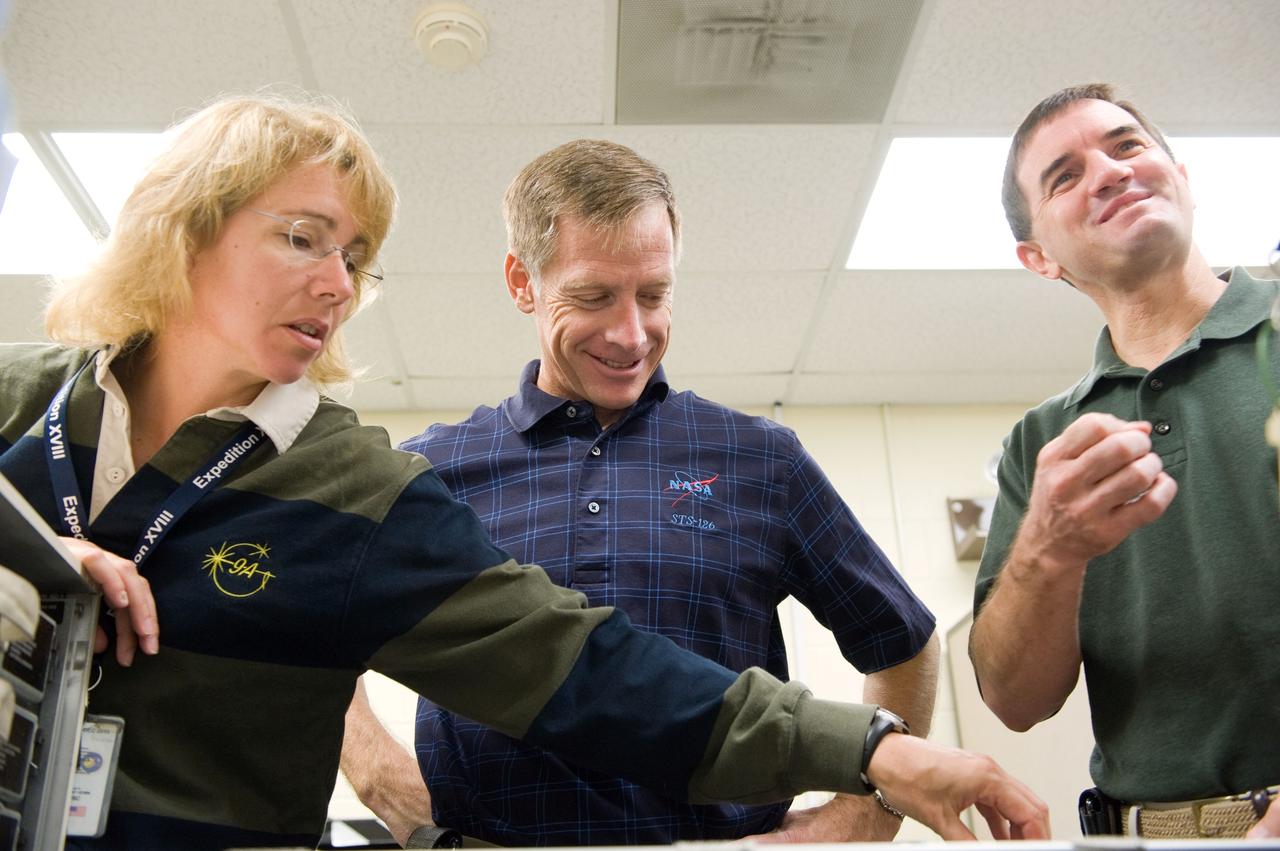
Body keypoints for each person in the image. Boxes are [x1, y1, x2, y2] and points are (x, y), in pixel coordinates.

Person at [0, 93, 1048, 850]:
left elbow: (587, 667)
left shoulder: (355, 483)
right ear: (184, 227)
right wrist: (33, 559)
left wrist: (870, 763)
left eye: (354, 257)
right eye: (302, 238)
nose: (338, 284)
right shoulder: (27, 401)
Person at [342, 139, 940, 847]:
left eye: (653, 295)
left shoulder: (759, 458)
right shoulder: (431, 471)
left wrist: (859, 818)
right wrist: (384, 781)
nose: (631, 334)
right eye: (594, 296)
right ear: (522, 281)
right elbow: (317, 631)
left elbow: (903, 640)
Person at [970, 82, 1280, 840]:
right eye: (1064, 176)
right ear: (1038, 258)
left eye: (1127, 145)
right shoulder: (1040, 442)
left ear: (1184, 177)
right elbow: (1015, 699)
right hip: (1140, 831)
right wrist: (1048, 545)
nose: (1108, 171)